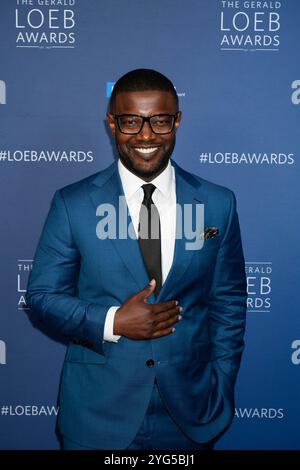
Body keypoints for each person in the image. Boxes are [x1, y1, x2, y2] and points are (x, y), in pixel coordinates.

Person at [26, 69, 247, 451]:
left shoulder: (217, 203)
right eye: (131, 121)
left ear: (176, 121)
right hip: (98, 413)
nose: (146, 136)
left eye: (159, 121)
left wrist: (221, 383)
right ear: (112, 123)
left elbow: (227, 302)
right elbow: (43, 296)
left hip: (191, 416)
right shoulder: (74, 203)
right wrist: (114, 321)